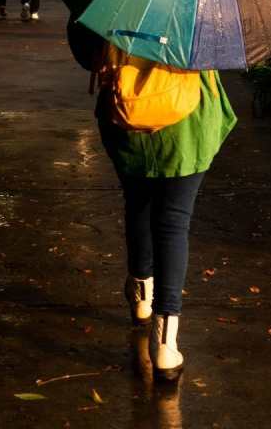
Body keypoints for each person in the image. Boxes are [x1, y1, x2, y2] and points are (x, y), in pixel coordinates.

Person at [68, 22, 237, 382]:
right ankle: (165, 342)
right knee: (174, 222)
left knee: (138, 204)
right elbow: (225, 48)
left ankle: (141, 294)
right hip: (187, 122)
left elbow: (84, 51)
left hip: (125, 117)